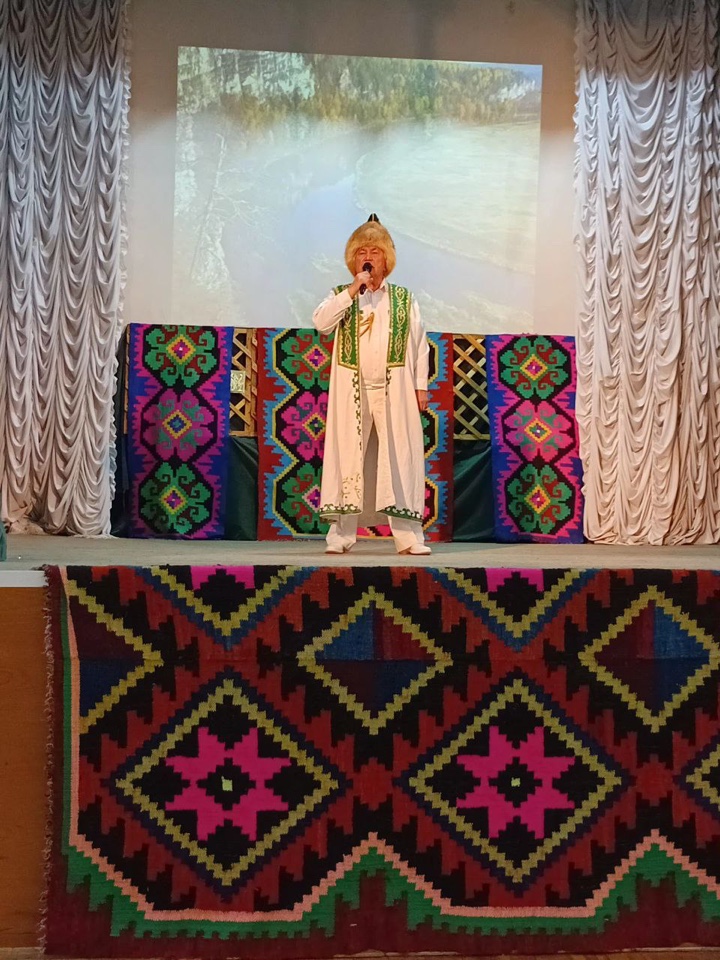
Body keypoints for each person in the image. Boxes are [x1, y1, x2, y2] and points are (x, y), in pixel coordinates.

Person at [313, 215, 432, 555]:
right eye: (362, 252)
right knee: (349, 456)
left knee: (399, 455)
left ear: (386, 259)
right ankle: (340, 536)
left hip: (394, 389)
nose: (368, 257)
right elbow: (321, 323)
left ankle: (408, 538)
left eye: (374, 252)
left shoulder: (403, 298)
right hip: (354, 390)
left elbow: (419, 343)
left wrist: (420, 386)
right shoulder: (342, 295)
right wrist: (353, 289)